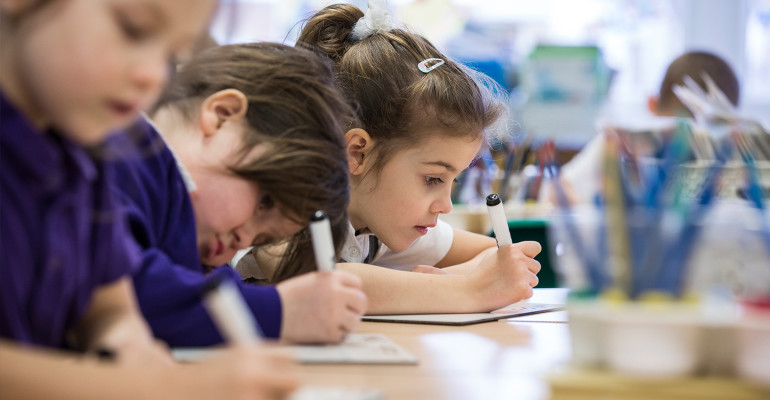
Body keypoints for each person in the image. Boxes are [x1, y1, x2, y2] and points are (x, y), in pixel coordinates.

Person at [0, 1, 297, 399]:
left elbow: (110, 310)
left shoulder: (85, 154)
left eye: (171, 54)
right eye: (133, 29)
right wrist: (169, 386)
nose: (153, 76)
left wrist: (129, 346)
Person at [239, 1, 542, 315]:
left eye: (453, 180)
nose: (446, 205)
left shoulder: (376, 220)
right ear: (357, 153)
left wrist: (452, 278)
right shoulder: (286, 205)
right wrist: (470, 289)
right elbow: (321, 281)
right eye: (433, 179)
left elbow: (496, 253)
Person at [111, 42, 367, 346]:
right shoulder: (127, 156)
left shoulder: (177, 214)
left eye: (261, 239)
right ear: (222, 116)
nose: (244, 241)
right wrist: (279, 310)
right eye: (264, 201)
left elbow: (197, 285)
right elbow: (128, 291)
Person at [556, 50, 742, 205]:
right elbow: (562, 188)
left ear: (652, 104)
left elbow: (560, 188)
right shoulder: (618, 143)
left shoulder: (614, 143)